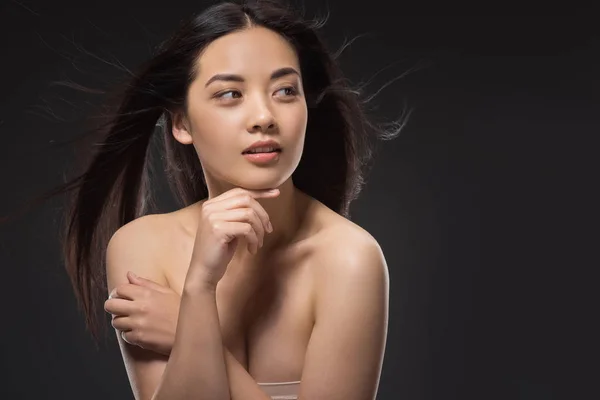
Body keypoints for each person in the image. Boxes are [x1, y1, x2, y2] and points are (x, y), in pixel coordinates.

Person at [45, 0, 406, 398]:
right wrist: (199, 286)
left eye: (285, 90)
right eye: (231, 94)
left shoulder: (349, 258)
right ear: (181, 123)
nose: (264, 116)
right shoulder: (142, 247)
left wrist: (188, 329)